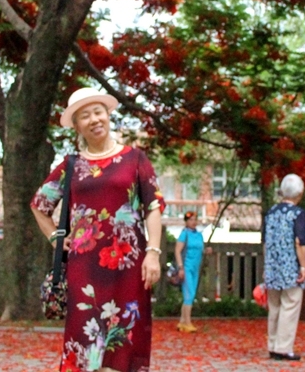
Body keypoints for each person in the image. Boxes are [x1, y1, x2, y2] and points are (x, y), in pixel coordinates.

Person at [31, 87, 166, 372]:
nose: (94, 119)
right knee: (84, 339)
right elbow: (39, 205)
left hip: (129, 267)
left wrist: (153, 252)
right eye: (85, 116)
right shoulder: (72, 165)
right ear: (77, 125)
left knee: (124, 340)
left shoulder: (135, 159)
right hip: (84, 268)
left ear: (107, 115)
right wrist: (56, 237)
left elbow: (153, 206)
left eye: (98, 112)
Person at [263, 173, 305, 362]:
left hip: (272, 266)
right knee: (290, 305)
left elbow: (265, 242)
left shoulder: (271, 212)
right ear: (299, 193)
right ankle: (284, 347)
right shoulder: (298, 214)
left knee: (274, 306)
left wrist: (267, 265)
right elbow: (300, 242)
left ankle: (273, 345)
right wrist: (304, 267)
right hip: (291, 267)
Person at [174, 210, 203, 332]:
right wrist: (181, 267)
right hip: (186, 267)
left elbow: (200, 249)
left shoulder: (199, 235)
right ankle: (187, 322)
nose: (193, 222)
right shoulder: (184, 234)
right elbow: (177, 251)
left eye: (195, 220)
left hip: (196, 268)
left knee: (191, 293)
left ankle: (182, 321)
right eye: (191, 220)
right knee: (189, 293)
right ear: (186, 222)